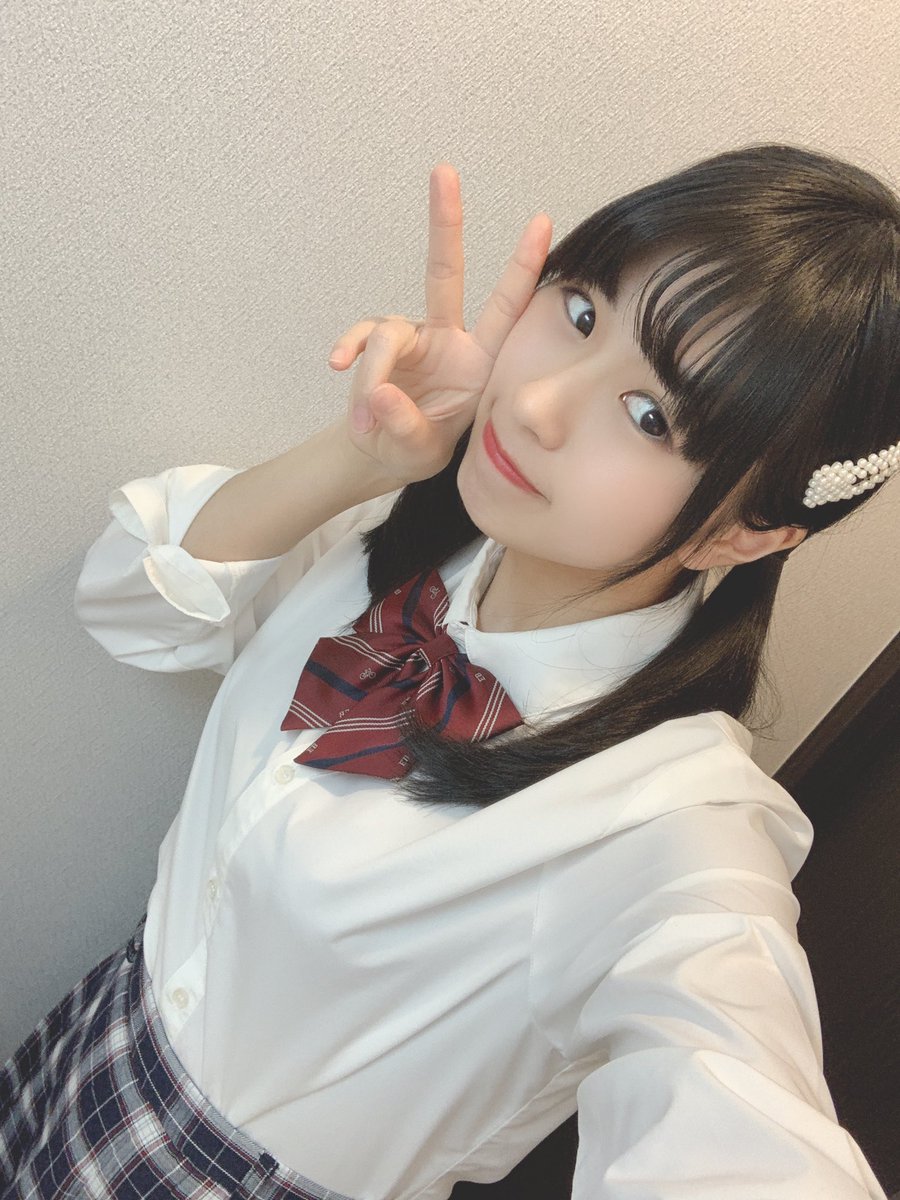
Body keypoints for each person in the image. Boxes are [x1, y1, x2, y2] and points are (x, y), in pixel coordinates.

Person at [2, 145, 896, 1199]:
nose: (538, 402)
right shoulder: (402, 552)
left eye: (651, 416)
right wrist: (359, 459)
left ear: (744, 534)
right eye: (581, 313)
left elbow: (738, 1100)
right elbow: (131, 602)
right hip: (83, 1052)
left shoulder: (668, 831)